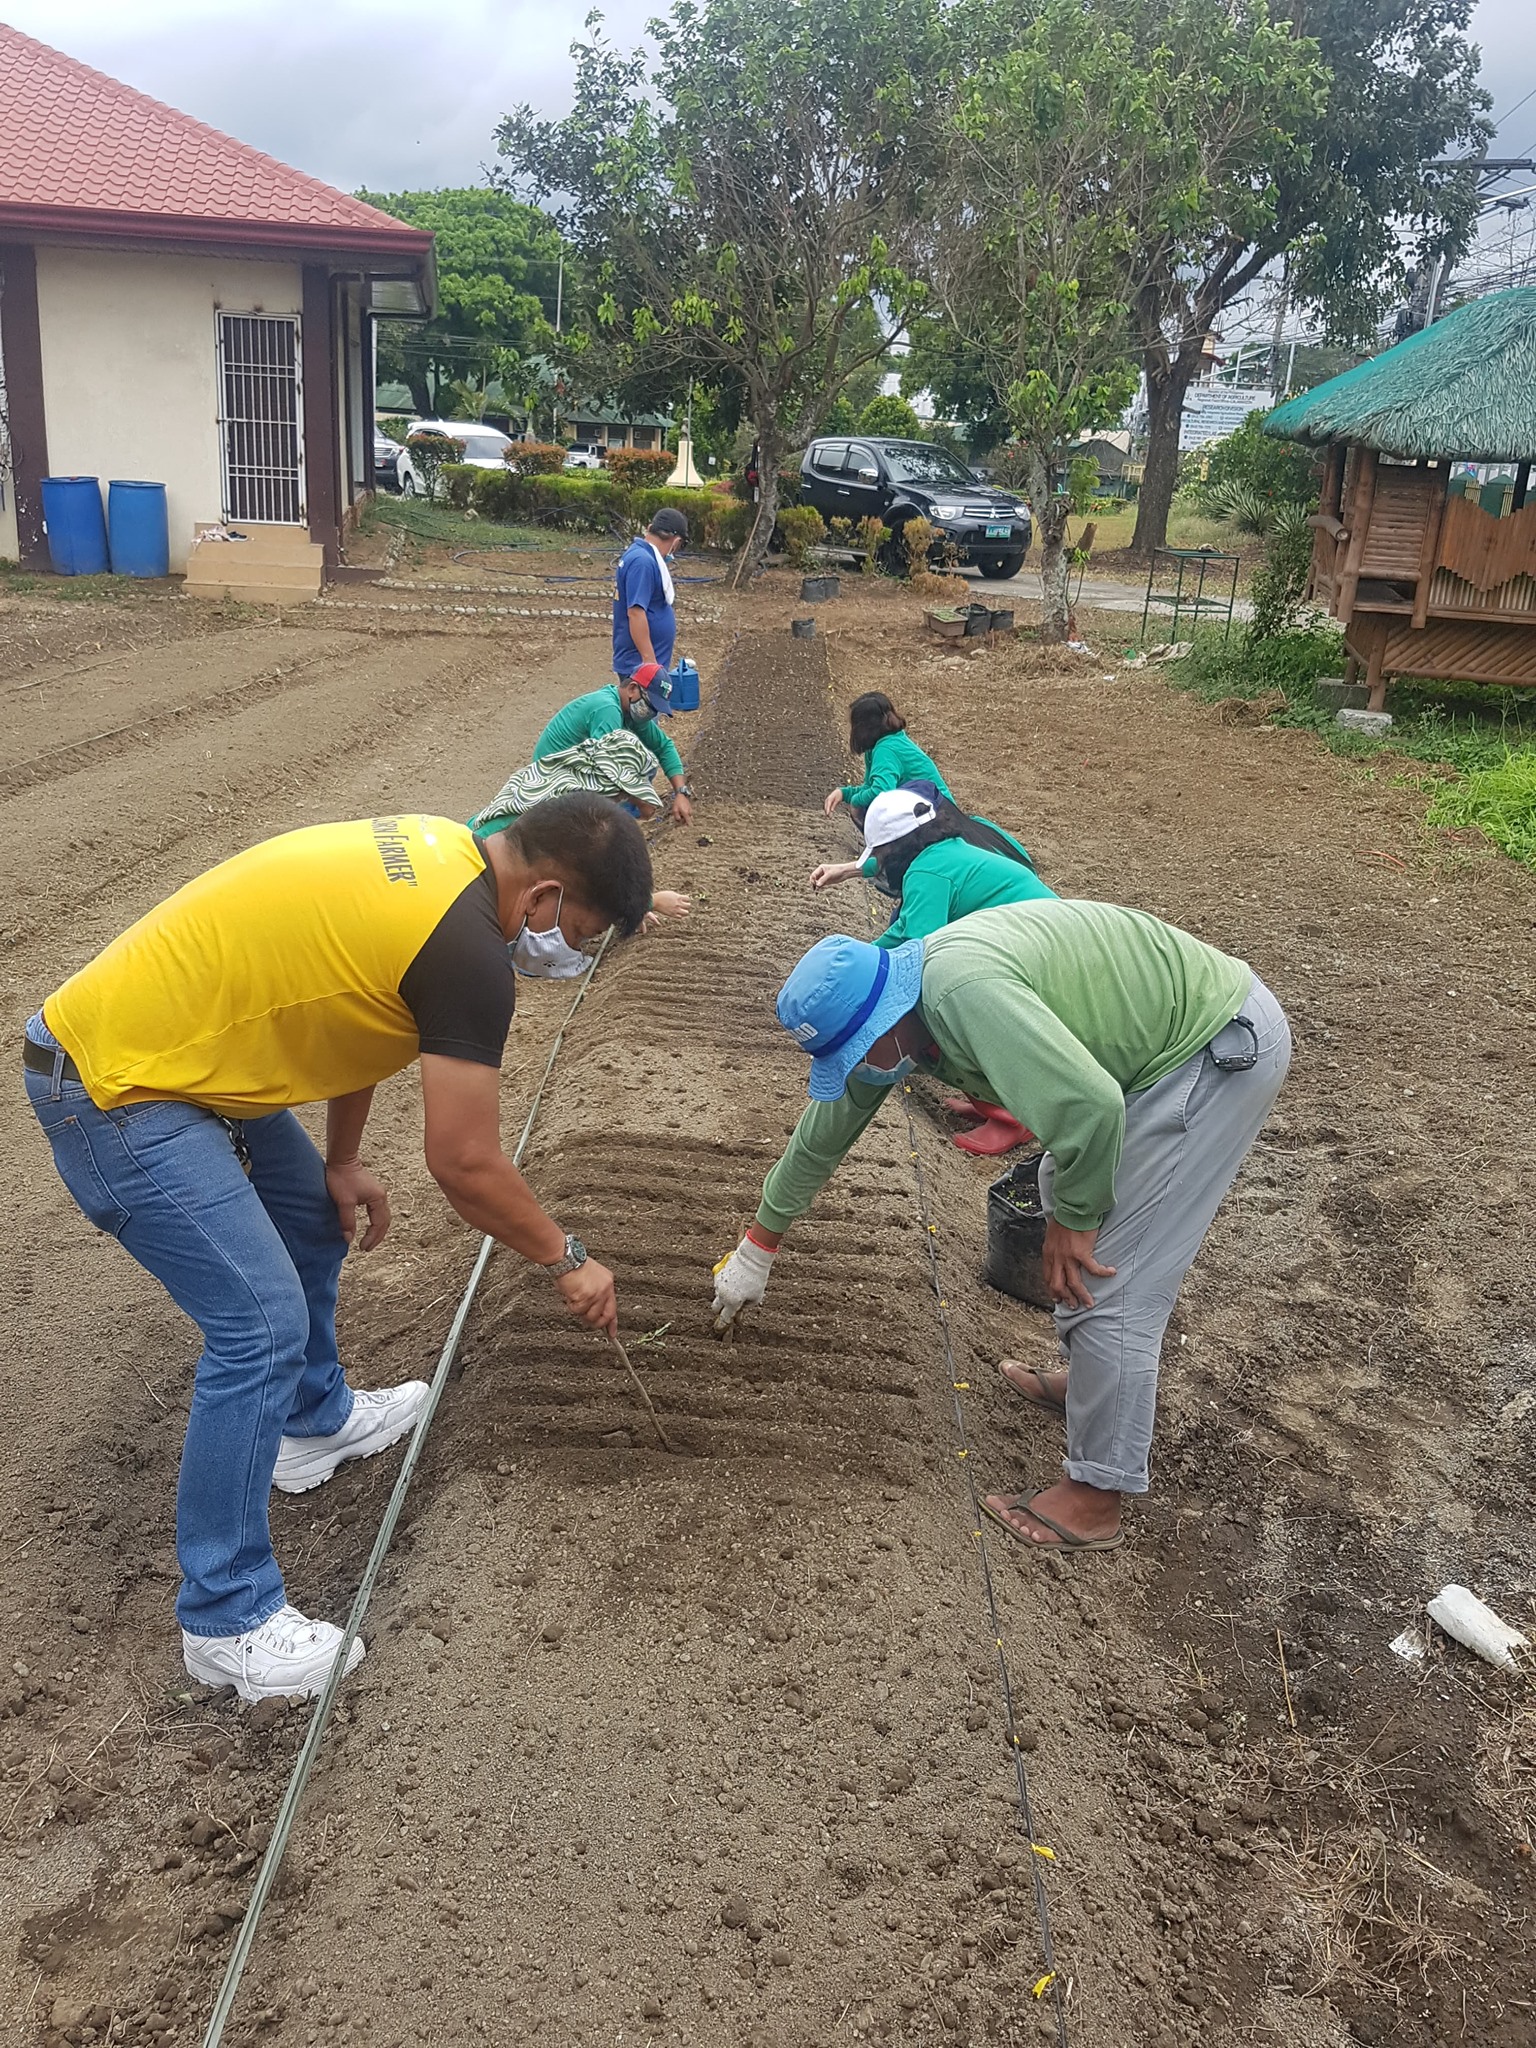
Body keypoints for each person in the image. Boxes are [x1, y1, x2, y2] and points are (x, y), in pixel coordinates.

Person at [25, 796, 652, 1700]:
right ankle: (227, 1618)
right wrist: (567, 1257)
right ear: (547, 893)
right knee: (257, 1324)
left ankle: (311, 1426)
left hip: (178, 1060)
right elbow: (466, 1163)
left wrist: (344, 1158)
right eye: (579, 933)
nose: (568, 952)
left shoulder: (443, 852)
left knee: (315, 1215)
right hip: (117, 1087)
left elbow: (356, 1013)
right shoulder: (471, 952)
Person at [709, 902, 1291, 1553]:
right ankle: (1093, 1385)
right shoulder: (895, 1017)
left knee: (1115, 1271)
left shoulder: (960, 993)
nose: (857, 1071)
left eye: (854, 1055)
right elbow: (828, 1129)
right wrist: (760, 1242)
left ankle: (1095, 1499)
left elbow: (1091, 1108)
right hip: (1167, 1042)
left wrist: (1075, 1221)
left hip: (1213, 1048)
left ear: (882, 1022)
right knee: (1061, 1190)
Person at [467, 730, 692, 971]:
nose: (621, 801)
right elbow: (579, 880)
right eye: (622, 794)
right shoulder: (574, 816)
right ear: (609, 780)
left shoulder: (564, 778)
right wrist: (647, 903)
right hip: (479, 877)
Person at [534, 661, 694, 827]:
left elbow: (664, 747)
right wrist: (642, 800)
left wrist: (681, 792)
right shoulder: (607, 708)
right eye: (649, 705)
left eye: (655, 709)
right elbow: (608, 767)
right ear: (632, 689)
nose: (651, 713)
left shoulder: (632, 713)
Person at [822, 693, 953, 821]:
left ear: (864, 728)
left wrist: (855, 801)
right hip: (936, 810)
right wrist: (844, 793)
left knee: (867, 810)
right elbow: (872, 787)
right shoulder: (887, 742)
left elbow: (881, 791)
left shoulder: (886, 750)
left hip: (940, 817)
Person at [614, 505, 687, 681]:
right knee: (640, 709)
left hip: (640, 664)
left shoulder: (641, 555)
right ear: (675, 542)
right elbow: (636, 612)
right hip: (639, 666)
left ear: (649, 528)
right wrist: (650, 663)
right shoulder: (643, 562)